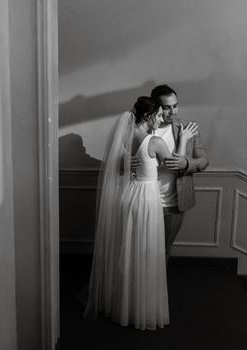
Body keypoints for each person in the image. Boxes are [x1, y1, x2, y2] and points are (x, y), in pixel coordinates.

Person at [84, 96, 198, 330]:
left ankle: (123, 305)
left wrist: (128, 164)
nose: (161, 118)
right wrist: (184, 139)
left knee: (128, 251)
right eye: (157, 115)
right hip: (147, 199)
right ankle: (141, 309)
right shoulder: (154, 141)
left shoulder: (126, 136)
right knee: (148, 252)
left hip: (129, 197)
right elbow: (175, 166)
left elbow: (122, 167)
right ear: (147, 117)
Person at [150, 84, 209, 263]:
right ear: (156, 107)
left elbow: (204, 161)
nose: (173, 112)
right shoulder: (145, 127)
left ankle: (159, 291)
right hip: (145, 199)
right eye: (167, 107)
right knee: (143, 249)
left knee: (164, 251)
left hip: (174, 202)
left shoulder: (188, 128)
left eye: (175, 106)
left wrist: (186, 163)